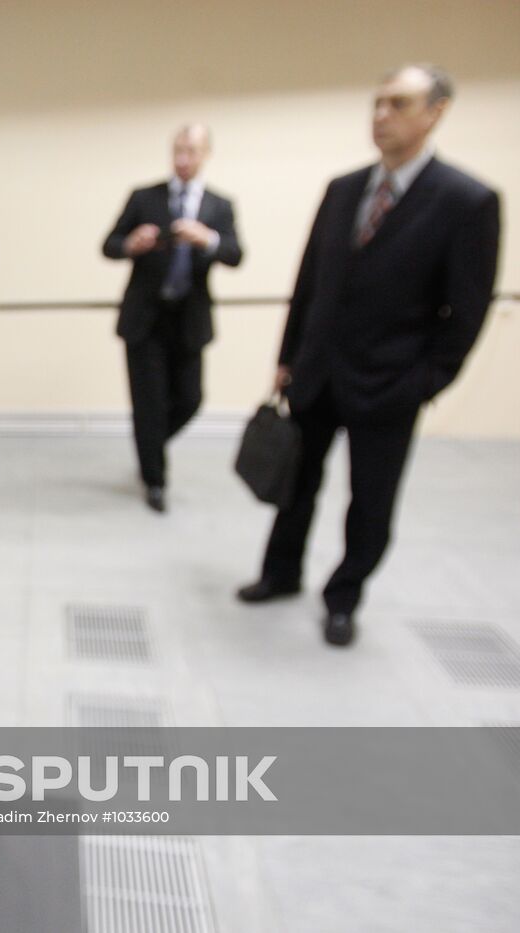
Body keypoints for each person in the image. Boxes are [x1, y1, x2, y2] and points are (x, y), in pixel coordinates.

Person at [237, 64, 501, 647]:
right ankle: (280, 573)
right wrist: (289, 355)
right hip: (316, 372)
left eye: (399, 104)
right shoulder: (343, 188)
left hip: (390, 384)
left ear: (435, 113)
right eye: (377, 103)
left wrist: (424, 383)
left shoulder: (466, 201)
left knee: (371, 500)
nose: (381, 116)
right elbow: (310, 281)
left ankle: (344, 595)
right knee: (295, 483)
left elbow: (469, 309)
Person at [103, 125, 243, 513]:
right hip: (145, 318)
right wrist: (131, 244)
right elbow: (109, 244)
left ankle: (149, 444)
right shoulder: (144, 197)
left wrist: (207, 240)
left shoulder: (219, 205)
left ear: (206, 154)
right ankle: (155, 480)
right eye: (178, 150)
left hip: (190, 318)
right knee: (147, 403)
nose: (183, 158)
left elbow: (234, 253)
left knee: (190, 398)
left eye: (192, 151)